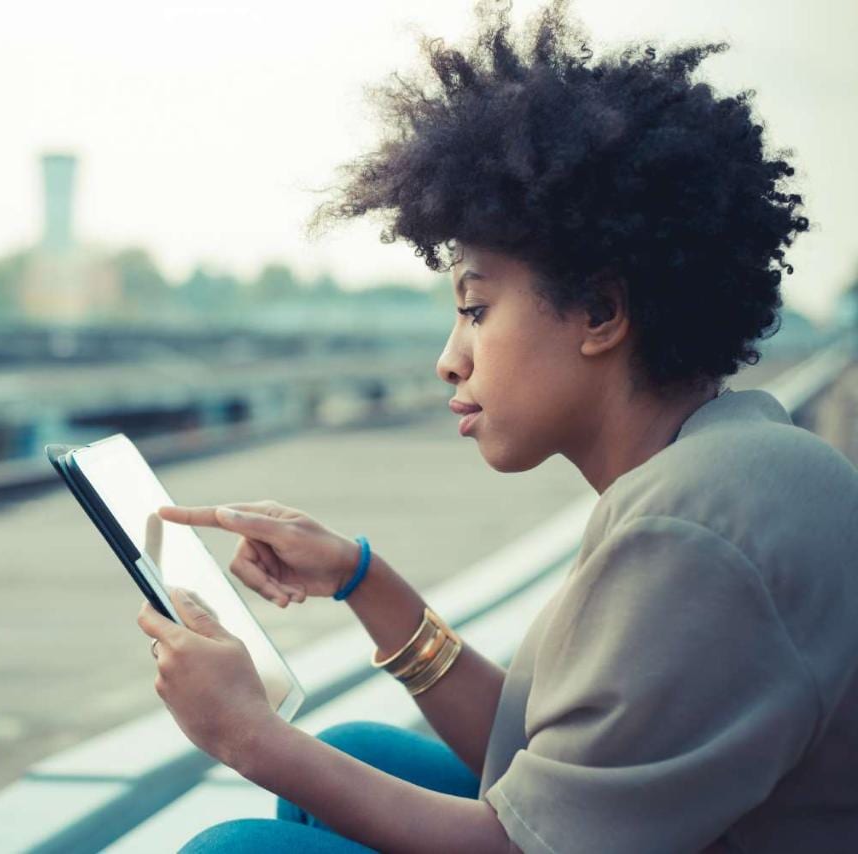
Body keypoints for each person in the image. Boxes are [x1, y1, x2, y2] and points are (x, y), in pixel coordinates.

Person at [133, 2, 858, 852]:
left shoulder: (693, 528)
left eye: (476, 309)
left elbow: (525, 845)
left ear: (600, 309)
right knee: (358, 755)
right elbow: (552, 771)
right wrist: (364, 581)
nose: (451, 358)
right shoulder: (727, 464)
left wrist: (247, 736)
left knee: (236, 852)